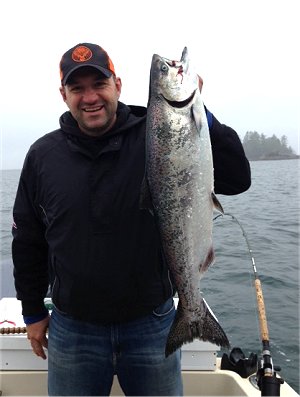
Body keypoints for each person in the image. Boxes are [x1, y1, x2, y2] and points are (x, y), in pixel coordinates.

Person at [12, 42, 251, 396]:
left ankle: (192, 315)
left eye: (100, 84)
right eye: (78, 88)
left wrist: (200, 114)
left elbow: (238, 179)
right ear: (64, 95)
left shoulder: (157, 133)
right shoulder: (42, 157)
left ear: (118, 85)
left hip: (151, 326)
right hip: (72, 330)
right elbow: (28, 241)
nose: (90, 97)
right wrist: (32, 313)